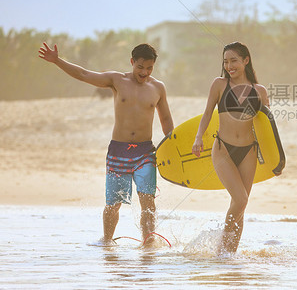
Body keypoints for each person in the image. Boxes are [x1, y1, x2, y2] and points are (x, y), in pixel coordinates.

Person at [38, 42, 174, 245]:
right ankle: (107, 243)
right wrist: (57, 60)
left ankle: (148, 244)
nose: (144, 72)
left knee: (148, 202)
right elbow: (84, 74)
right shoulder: (116, 80)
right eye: (140, 67)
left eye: (149, 68)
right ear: (131, 62)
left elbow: (166, 122)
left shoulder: (158, 87)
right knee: (113, 204)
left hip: (146, 152)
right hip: (118, 152)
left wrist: (174, 147)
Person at [192, 41, 269, 255]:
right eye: (226, 61)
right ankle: (221, 250)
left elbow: (267, 129)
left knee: (240, 206)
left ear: (246, 60)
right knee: (241, 199)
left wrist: (275, 160)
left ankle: (229, 254)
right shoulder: (219, 84)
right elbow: (207, 113)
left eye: (234, 60)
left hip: (248, 152)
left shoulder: (260, 91)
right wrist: (198, 137)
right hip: (223, 148)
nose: (229, 66)